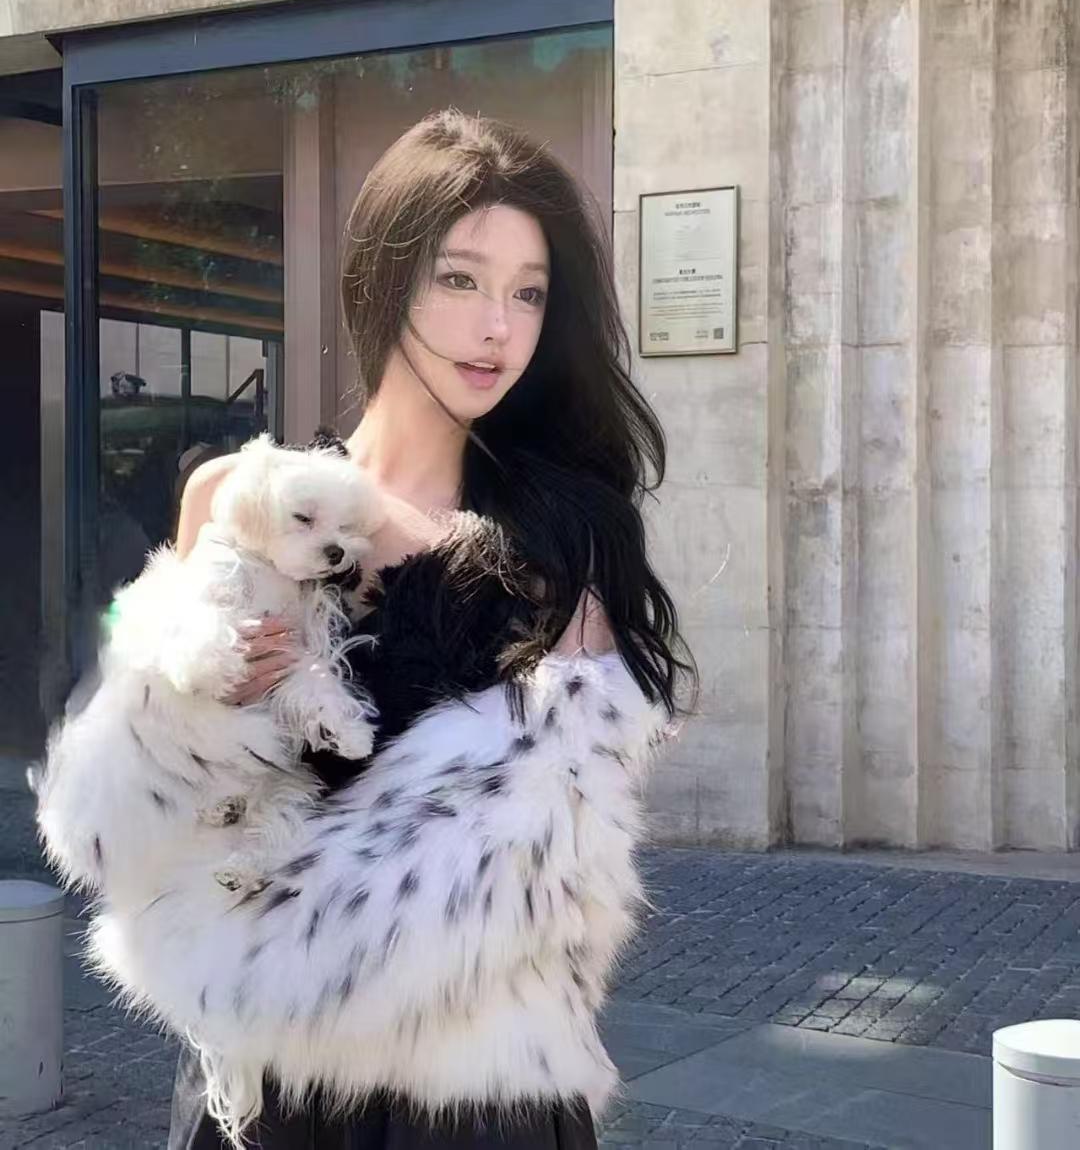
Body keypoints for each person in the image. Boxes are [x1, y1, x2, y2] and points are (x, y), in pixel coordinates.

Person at [40, 111, 693, 1150]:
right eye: (461, 278)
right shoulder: (241, 497)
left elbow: (556, 855)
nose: (498, 327)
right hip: (262, 1089)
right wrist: (203, 716)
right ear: (383, 279)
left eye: (530, 292)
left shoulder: (562, 534)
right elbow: (142, 826)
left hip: (471, 1093)